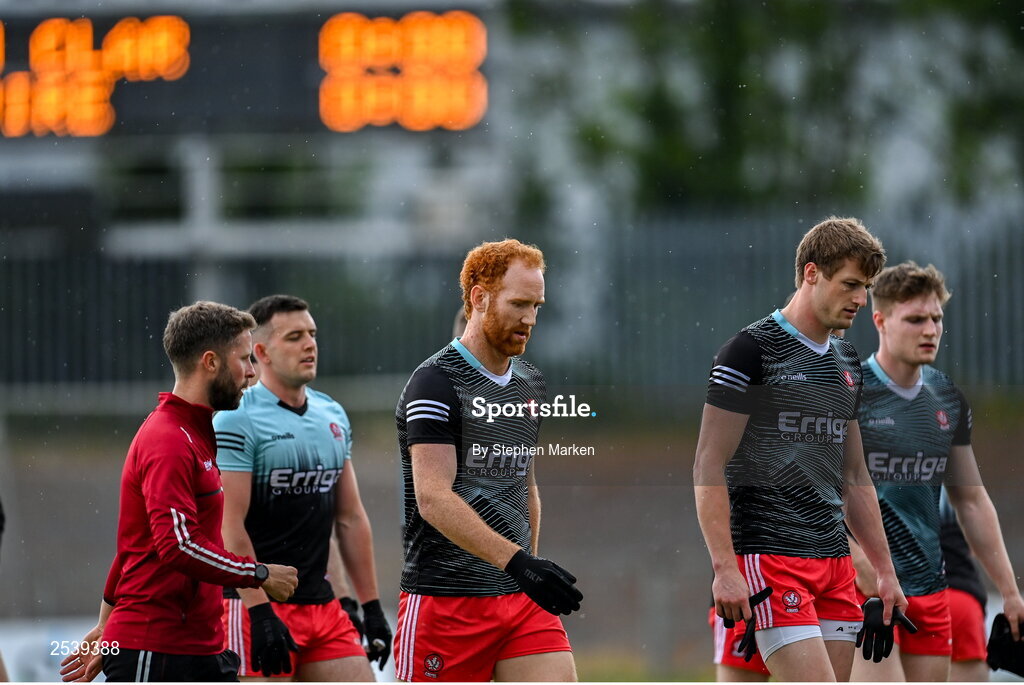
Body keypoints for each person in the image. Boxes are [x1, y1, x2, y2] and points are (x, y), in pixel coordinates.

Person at [694, 217, 909, 681]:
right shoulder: (749, 352)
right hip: (771, 559)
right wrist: (725, 569)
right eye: (850, 284)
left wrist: (884, 571)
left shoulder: (848, 360)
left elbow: (855, 476)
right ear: (812, 273)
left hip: (834, 564)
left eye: (866, 287)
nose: (859, 299)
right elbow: (708, 464)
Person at [59, 301, 299, 682]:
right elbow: (177, 546)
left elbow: (134, 545)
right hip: (156, 649)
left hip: (200, 648)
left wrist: (106, 625)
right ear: (210, 362)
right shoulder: (168, 439)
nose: (252, 374)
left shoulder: (196, 433)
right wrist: (259, 573)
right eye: (244, 359)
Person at [393, 239, 583, 682]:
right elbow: (434, 499)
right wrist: (518, 561)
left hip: (518, 600)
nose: (530, 319)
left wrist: (528, 573)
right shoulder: (434, 383)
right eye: (519, 304)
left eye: (537, 306)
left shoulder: (529, 383)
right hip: (446, 604)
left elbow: (524, 488)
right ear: (479, 298)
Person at [850, 261, 1024, 681]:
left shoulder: (946, 396)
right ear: (881, 321)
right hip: (868, 592)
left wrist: (1010, 590)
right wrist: (859, 563)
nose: (930, 330)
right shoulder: (852, 391)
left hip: (930, 588)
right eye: (915, 319)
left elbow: (971, 499)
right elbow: (825, 495)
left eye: (936, 318)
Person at [215, 294, 390, 681]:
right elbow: (230, 527)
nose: (310, 344)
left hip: (324, 609)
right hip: (252, 607)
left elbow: (349, 518)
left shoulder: (332, 414)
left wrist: (370, 605)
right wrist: (259, 611)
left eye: (312, 334)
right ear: (261, 351)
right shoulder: (236, 418)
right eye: (294, 336)